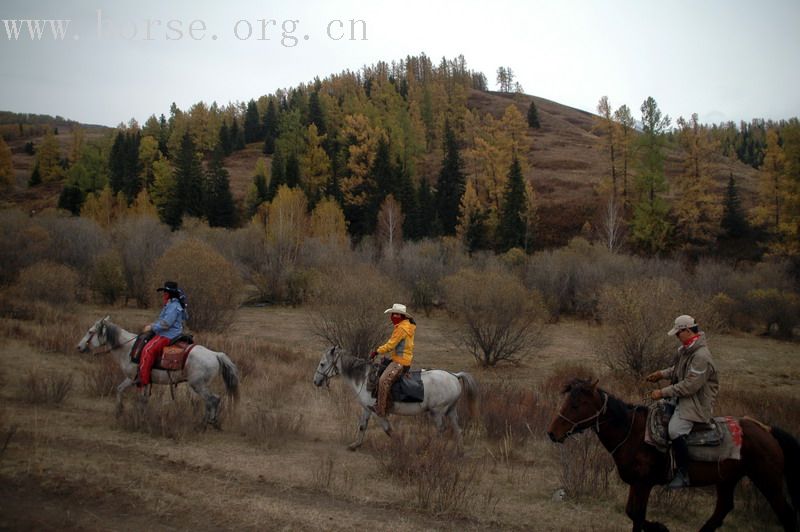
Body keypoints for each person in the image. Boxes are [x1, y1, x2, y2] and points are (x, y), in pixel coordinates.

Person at [646, 314, 719, 489]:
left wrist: (662, 392)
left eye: (678, 334)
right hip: (683, 399)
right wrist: (662, 374)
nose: (677, 338)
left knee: (674, 431)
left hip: (695, 404)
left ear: (687, 331)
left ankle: (683, 473)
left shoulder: (701, 356)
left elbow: (689, 386)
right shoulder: (688, 349)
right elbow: (678, 370)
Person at [137, 281, 188, 391]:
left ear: (170, 294)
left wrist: (152, 327)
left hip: (168, 335)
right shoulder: (171, 304)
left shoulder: (173, 306)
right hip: (166, 333)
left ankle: (143, 381)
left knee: (147, 350)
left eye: (165, 292)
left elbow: (166, 324)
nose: (163, 294)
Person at [369, 303, 416, 417]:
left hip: (400, 362)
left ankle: (381, 409)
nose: (392, 317)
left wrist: (377, 351)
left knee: (383, 381)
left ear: (400, 316)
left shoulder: (402, 328)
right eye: (392, 314)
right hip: (400, 359)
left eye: (395, 314)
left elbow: (390, 345)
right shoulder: (406, 325)